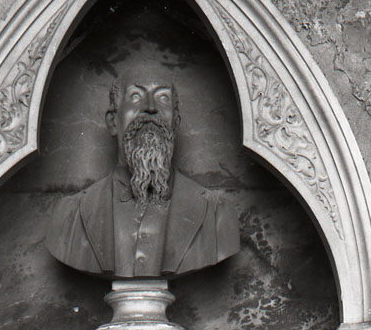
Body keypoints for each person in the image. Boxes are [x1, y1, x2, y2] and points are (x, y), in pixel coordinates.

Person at [46, 67, 239, 279]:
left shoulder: (216, 214)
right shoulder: (70, 216)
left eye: (162, 98)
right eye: (136, 96)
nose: (150, 108)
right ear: (112, 122)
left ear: (175, 123)